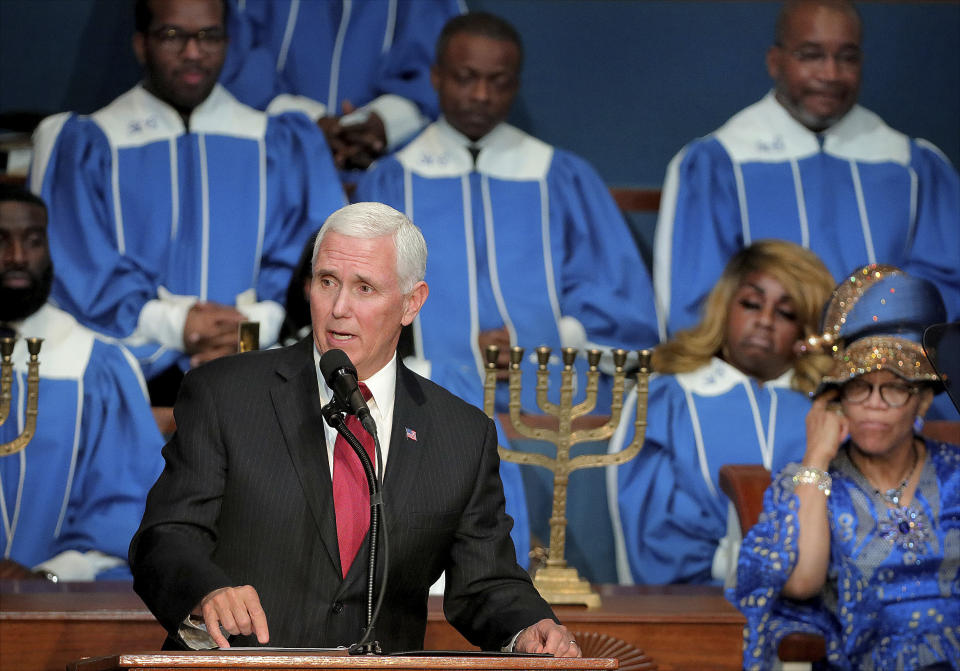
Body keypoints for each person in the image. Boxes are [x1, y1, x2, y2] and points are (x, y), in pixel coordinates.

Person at [129, 202, 579, 656]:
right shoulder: (225, 394)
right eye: (327, 282)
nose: (339, 308)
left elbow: (486, 580)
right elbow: (166, 537)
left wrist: (529, 628)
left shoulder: (460, 433)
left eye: (364, 288)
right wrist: (206, 592)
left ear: (411, 303)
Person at [29, 0, 346, 403]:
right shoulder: (94, 142)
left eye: (209, 36)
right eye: (172, 36)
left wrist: (252, 329)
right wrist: (176, 324)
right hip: (133, 382)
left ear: (228, 42)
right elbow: (80, 266)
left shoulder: (275, 141)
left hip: (257, 368)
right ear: (141, 44)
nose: (193, 52)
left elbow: (305, 259)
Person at [356, 11, 660, 416]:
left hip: (549, 406)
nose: (482, 94)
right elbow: (363, 297)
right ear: (436, 78)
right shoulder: (391, 182)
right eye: (466, 77)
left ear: (515, 85)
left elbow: (618, 304)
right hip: (420, 406)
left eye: (498, 82)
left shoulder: (559, 178)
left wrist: (533, 339)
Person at [653, 0, 960, 343]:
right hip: (761, 385)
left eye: (847, 57)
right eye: (811, 55)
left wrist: (877, 364)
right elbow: (696, 309)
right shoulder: (719, 163)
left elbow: (944, 290)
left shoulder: (914, 166)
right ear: (775, 61)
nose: (830, 74)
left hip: (887, 384)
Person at [730, 264, 959, 670]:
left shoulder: (955, 471)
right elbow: (802, 583)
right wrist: (816, 457)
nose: (873, 403)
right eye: (859, 386)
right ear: (837, 399)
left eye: (894, 387)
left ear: (923, 400)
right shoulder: (811, 483)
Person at [607, 240, 835, 585]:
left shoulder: (824, 410)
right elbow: (651, 527)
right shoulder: (666, 398)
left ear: (806, 333)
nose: (764, 321)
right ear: (725, 306)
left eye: (786, 312)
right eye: (751, 304)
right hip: (694, 606)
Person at [0, 184, 164, 582]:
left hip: (52, 608)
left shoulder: (93, 364)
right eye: (1, 242)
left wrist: (48, 576)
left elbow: (125, 507)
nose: (18, 257)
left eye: (34, 241)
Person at [220, 0, 464, 170]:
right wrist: (308, 122)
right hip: (274, 154)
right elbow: (232, 56)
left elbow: (452, 65)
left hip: (393, 160)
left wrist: (383, 122)